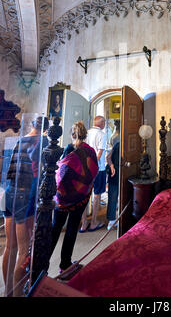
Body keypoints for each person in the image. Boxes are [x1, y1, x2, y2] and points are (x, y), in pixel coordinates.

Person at [1, 116, 49, 297]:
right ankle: (19, 294)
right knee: (23, 250)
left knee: (9, 247)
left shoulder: (21, 139)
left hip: (9, 191)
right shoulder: (42, 140)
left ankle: (9, 291)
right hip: (25, 193)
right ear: (45, 128)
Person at [50, 121, 98, 273]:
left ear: (72, 134)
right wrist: (82, 188)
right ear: (85, 134)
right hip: (81, 196)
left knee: (55, 228)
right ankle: (65, 264)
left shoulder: (68, 149)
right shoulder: (90, 151)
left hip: (63, 197)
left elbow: (60, 173)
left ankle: (42, 266)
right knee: (72, 228)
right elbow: (92, 172)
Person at [80, 115, 107, 232]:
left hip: (85, 168)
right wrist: (93, 166)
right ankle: (94, 222)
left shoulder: (87, 133)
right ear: (101, 123)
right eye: (104, 122)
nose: (105, 125)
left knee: (85, 195)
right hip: (98, 169)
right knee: (97, 195)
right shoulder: (102, 134)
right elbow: (99, 153)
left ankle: (83, 223)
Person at [106, 140, 120, 231]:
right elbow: (108, 157)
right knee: (113, 197)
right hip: (115, 174)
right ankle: (111, 221)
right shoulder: (119, 145)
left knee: (113, 197)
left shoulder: (117, 144)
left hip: (114, 174)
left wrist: (111, 166)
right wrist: (112, 167)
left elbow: (108, 157)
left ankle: (111, 221)